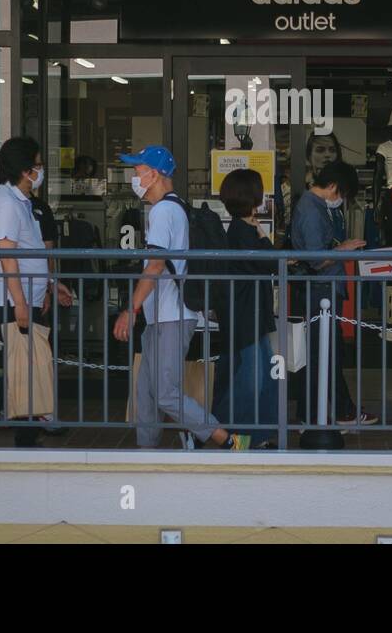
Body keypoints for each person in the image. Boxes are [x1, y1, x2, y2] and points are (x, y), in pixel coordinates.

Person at [112, 145, 251, 450]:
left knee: (164, 392)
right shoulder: (170, 208)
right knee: (146, 392)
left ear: (155, 173)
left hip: (172, 316)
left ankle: (226, 439)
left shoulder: (164, 211)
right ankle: (145, 453)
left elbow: (156, 266)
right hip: (161, 315)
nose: (134, 177)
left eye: (138, 170)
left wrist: (130, 309)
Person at [0, 137, 74, 446]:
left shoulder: (22, 203)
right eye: (37, 164)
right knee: (24, 373)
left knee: (27, 373)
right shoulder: (6, 204)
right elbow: (7, 258)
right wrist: (20, 303)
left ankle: (26, 436)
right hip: (15, 302)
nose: (41, 170)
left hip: (27, 298)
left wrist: (51, 282)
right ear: (25, 170)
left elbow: (31, 252)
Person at [289, 160, 377, 427]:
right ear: (333, 187)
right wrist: (344, 249)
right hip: (320, 291)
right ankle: (333, 412)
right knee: (324, 355)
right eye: (344, 195)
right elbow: (316, 258)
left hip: (322, 289)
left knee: (324, 354)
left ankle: (329, 411)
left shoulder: (313, 206)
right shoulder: (312, 210)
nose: (343, 201)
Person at [214, 168, 280, 446]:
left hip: (249, 313)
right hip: (247, 314)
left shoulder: (240, 228)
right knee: (253, 380)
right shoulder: (243, 231)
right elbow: (272, 261)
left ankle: (259, 436)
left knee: (264, 378)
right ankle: (212, 428)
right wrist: (263, 234)